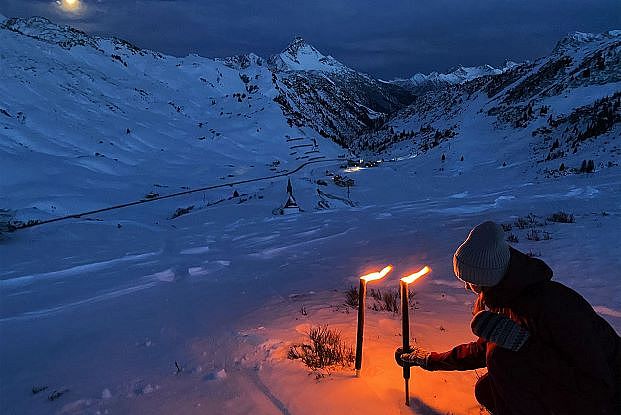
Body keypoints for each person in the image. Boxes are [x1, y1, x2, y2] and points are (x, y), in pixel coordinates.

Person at [395, 221, 621, 415]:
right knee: (487, 389)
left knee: (502, 359)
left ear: (488, 277)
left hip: (606, 396)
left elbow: (598, 386)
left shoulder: (554, 306)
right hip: (570, 387)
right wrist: (428, 360)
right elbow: (482, 350)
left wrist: (525, 347)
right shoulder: (500, 298)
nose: (466, 286)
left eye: (471, 280)